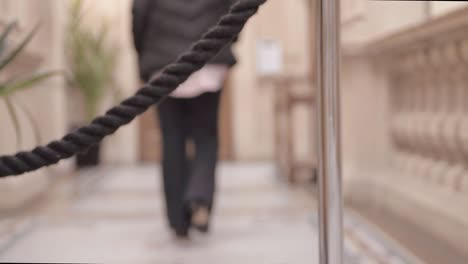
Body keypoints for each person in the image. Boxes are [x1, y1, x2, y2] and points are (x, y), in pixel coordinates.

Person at [132, 0, 237, 238]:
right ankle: (200, 199)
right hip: (209, 57)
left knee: (172, 139)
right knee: (206, 136)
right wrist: (228, 40)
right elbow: (236, 9)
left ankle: (178, 219)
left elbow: (140, 14)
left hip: (164, 63)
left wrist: (144, 53)